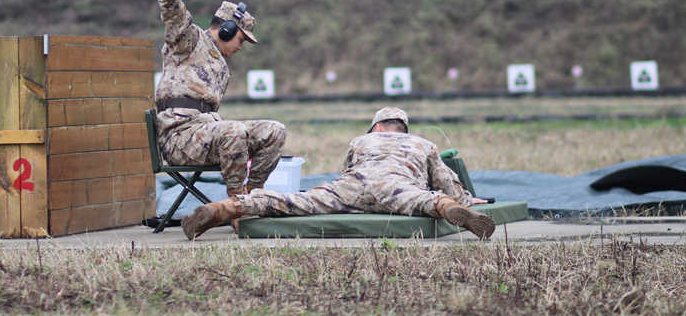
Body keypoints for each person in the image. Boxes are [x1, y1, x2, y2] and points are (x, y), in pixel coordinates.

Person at [181, 106, 496, 240]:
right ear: (403, 129)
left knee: (293, 201)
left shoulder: (361, 140)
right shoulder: (423, 143)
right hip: (397, 187)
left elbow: (347, 171)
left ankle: (224, 208)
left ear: (376, 127)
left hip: (351, 186)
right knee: (430, 201)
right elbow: (444, 179)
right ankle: (453, 212)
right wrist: (464, 199)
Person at [149, 0, 286, 203]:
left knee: (274, 131)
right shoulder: (189, 42)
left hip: (206, 134)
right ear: (227, 30)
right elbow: (176, 18)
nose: (240, 47)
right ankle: (236, 204)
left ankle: (253, 195)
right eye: (241, 40)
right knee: (234, 130)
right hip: (179, 138)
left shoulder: (219, 62)